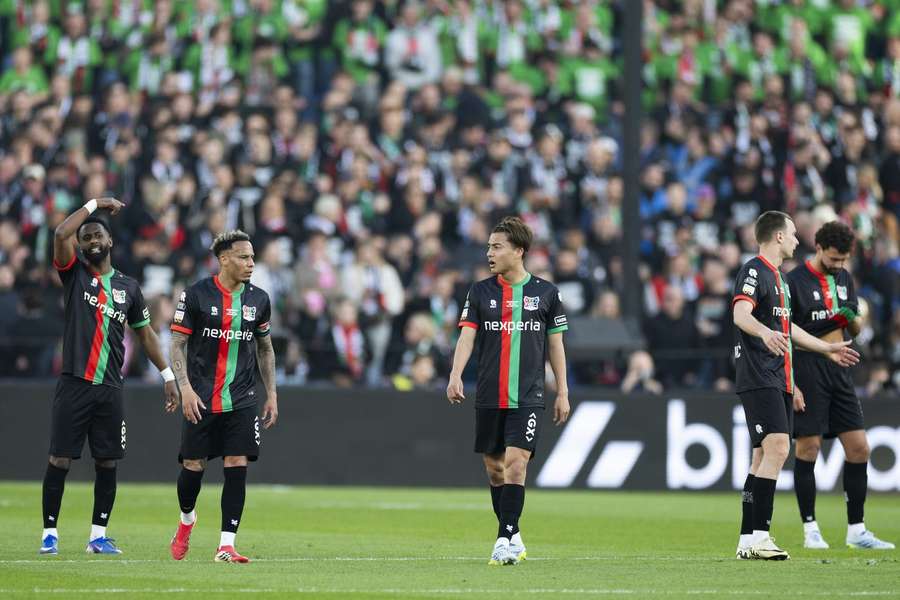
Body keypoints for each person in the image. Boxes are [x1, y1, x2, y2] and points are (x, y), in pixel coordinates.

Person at [40, 197, 179, 555]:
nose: (91, 241)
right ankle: (49, 534)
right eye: (85, 238)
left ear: (111, 242)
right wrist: (96, 204)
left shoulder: (129, 288)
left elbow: (145, 334)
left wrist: (166, 374)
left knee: (107, 461)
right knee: (60, 459)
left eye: (97, 235)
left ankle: (97, 536)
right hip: (74, 382)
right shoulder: (73, 274)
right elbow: (60, 231)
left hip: (110, 388)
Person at [731, 211, 859, 561]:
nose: (797, 240)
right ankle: (760, 536)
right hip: (760, 373)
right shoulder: (754, 269)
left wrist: (827, 348)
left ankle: (747, 540)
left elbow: (789, 331)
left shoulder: (782, 280)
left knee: (761, 456)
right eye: (792, 233)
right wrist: (764, 332)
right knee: (777, 449)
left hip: (780, 376)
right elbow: (741, 314)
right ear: (777, 237)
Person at [446, 216, 570, 566]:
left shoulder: (546, 293)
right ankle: (514, 533)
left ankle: (502, 539)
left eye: (496, 246)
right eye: (488, 246)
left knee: (517, 465)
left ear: (518, 251)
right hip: (489, 393)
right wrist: (455, 374)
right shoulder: (480, 291)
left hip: (528, 396)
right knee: (495, 469)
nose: (489, 253)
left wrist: (562, 391)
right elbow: (467, 336)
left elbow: (556, 346)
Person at [168, 230, 278, 563]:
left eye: (253, 257)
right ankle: (187, 519)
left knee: (237, 462)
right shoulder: (196, 295)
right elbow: (176, 344)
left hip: (242, 397)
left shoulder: (259, 299)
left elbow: (265, 348)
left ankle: (226, 544)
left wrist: (271, 393)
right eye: (244, 257)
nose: (251, 263)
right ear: (224, 259)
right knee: (193, 467)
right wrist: (185, 387)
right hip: (200, 396)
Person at [786, 221, 894, 550]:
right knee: (809, 449)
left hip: (841, 369)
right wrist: (792, 383)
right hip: (809, 368)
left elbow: (856, 330)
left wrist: (854, 319)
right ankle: (810, 529)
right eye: (834, 259)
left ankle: (857, 530)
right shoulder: (794, 281)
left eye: (844, 260)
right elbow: (788, 333)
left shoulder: (844, 278)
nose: (839, 266)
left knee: (860, 448)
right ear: (818, 248)